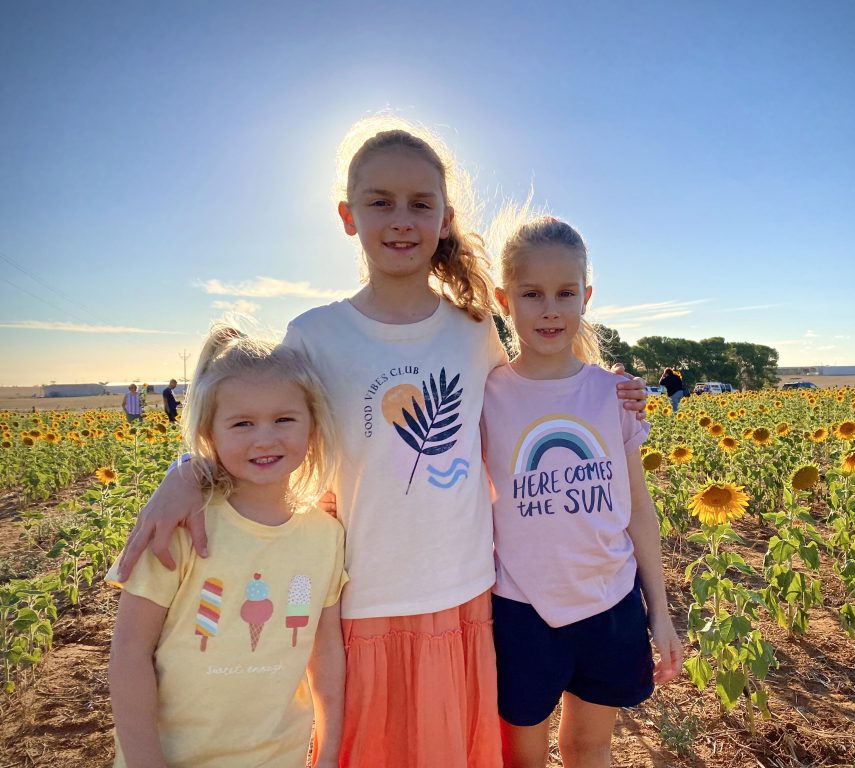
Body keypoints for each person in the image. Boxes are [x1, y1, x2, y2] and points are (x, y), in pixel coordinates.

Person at [115, 117, 646, 768]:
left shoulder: (473, 328)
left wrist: (609, 390)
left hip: (466, 597)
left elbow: (538, 388)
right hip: (360, 602)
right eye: (380, 202)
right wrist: (188, 470)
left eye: (420, 204)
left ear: (444, 217)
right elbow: (252, 416)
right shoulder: (314, 335)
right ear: (347, 216)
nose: (401, 219)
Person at [484, 216, 682, 768]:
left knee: (588, 747)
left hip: (609, 603)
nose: (551, 309)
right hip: (521, 610)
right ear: (504, 299)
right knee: (523, 756)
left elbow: (638, 508)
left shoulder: (612, 394)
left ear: (586, 297)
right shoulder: (488, 396)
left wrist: (659, 614)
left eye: (566, 293)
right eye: (532, 294)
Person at [106, 328, 347, 768]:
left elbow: (325, 655)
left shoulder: (326, 537)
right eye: (242, 423)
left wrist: (328, 752)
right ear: (208, 432)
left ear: (313, 424)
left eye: (284, 419)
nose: (265, 438)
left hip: (281, 756)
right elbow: (129, 651)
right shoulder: (180, 527)